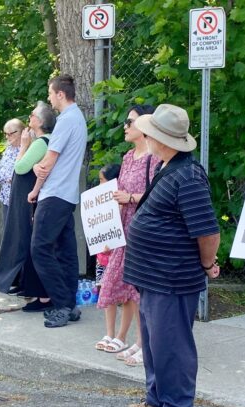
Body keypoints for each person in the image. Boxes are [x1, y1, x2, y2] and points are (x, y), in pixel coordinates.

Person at [123, 104, 220, 407]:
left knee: (172, 345)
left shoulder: (188, 175)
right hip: (153, 275)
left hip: (172, 277)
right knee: (153, 343)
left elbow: (207, 231)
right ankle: (157, 399)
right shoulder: (168, 166)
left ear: (157, 137)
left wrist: (207, 265)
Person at [96, 105, 158, 367]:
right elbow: (119, 192)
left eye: (130, 121)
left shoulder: (154, 158)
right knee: (118, 283)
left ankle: (144, 344)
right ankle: (125, 338)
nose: (125, 125)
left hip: (143, 229)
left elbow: (159, 195)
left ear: (144, 127)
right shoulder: (128, 158)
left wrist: (130, 198)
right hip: (124, 229)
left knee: (141, 290)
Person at [27, 75, 87, 328]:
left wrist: (36, 181)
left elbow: (48, 162)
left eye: (51, 93)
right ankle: (70, 305)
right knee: (65, 251)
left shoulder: (66, 121)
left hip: (55, 194)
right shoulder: (78, 118)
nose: (49, 98)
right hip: (67, 194)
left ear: (60, 94)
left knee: (39, 248)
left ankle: (61, 304)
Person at [0, 101, 55, 311]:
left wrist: (23, 147)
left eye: (32, 115)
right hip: (33, 201)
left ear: (39, 121)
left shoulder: (40, 143)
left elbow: (19, 168)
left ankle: (42, 295)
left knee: (33, 247)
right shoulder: (44, 142)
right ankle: (31, 289)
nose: (29, 119)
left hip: (30, 203)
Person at [0, 118, 23, 223]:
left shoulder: (26, 149)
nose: (7, 137)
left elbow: (19, 173)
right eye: (5, 134)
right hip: (6, 197)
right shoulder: (9, 149)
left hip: (20, 199)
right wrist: (7, 178)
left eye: (10, 134)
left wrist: (10, 177)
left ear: (20, 132)